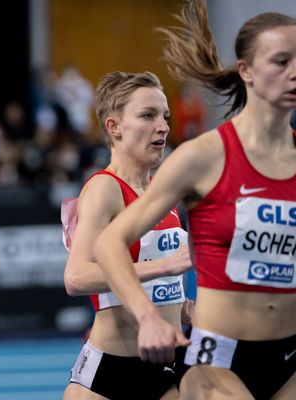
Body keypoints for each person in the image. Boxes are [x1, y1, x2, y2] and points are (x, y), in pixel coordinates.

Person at [95, 2, 296, 399]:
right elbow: (108, 242)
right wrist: (148, 316)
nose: (294, 72)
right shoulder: (202, 157)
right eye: (281, 61)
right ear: (247, 71)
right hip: (216, 363)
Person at [61, 71, 193, 400]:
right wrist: (165, 267)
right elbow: (76, 277)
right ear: (114, 127)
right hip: (112, 374)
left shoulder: (161, 194)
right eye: (147, 116)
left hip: (168, 365)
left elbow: (156, 277)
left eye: (164, 116)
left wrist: (181, 307)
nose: (162, 127)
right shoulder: (105, 188)